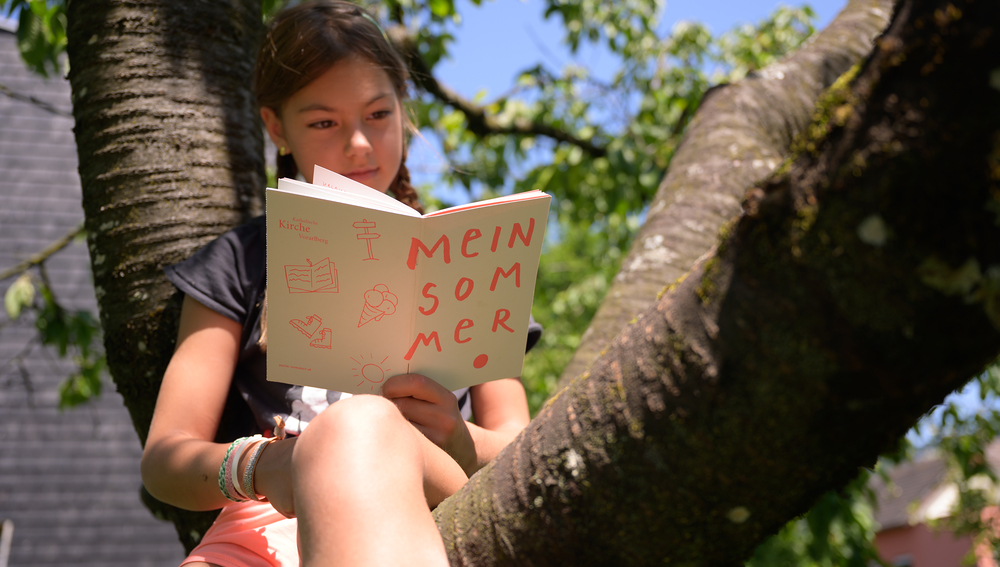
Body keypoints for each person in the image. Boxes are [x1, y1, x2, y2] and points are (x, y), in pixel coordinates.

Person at [139, 3, 542, 566]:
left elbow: (524, 450)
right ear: (277, 127)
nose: (358, 144)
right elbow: (164, 460)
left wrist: (458, 436)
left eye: (377, 114)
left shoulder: (466, 255)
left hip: (428, 502)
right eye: (324, 122)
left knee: (357, 423)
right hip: (264, 522)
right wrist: (263, 465)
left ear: (403, 108)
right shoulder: (240, 261)